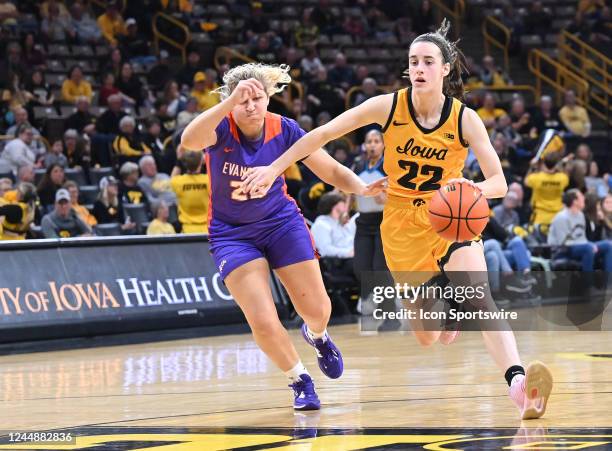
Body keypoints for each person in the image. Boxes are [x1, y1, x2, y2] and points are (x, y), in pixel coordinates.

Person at [241, 22, 553, 420]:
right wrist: (274, 168)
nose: (418, 68)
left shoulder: (464, 119)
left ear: (445, 68)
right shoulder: (387, 107)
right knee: (427, 337)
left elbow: (499, 182)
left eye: (427, 61)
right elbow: (321, 134)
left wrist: (469, 186)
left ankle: (518, 384)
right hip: (402, 227)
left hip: (450, 218)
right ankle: (446, 314)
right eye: (413, 62)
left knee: (481, 298)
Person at [180, 62, 386, 410]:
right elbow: (188, 141)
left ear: (268, 98)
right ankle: (299, 379)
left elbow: (330, 169)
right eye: (242, 100)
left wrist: (362, 187)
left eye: (256, 98)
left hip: (280, 223)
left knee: (318, 309)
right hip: (233, 235)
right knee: (261, 318)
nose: (250, 106)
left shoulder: (284, 128)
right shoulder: (222, 127)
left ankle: (317, 335)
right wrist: (229, 103)